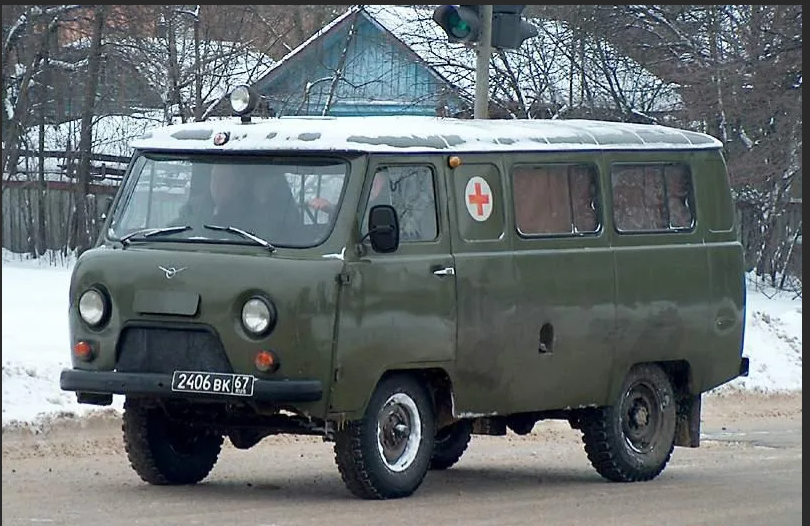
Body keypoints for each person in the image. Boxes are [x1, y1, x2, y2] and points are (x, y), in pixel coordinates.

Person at [308, 169, 390, 215]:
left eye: (376, 182)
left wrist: (331, 208)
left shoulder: (387, 206)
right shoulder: (364, 199)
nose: (371, 184)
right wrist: (330, 207)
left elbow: (355, 222)